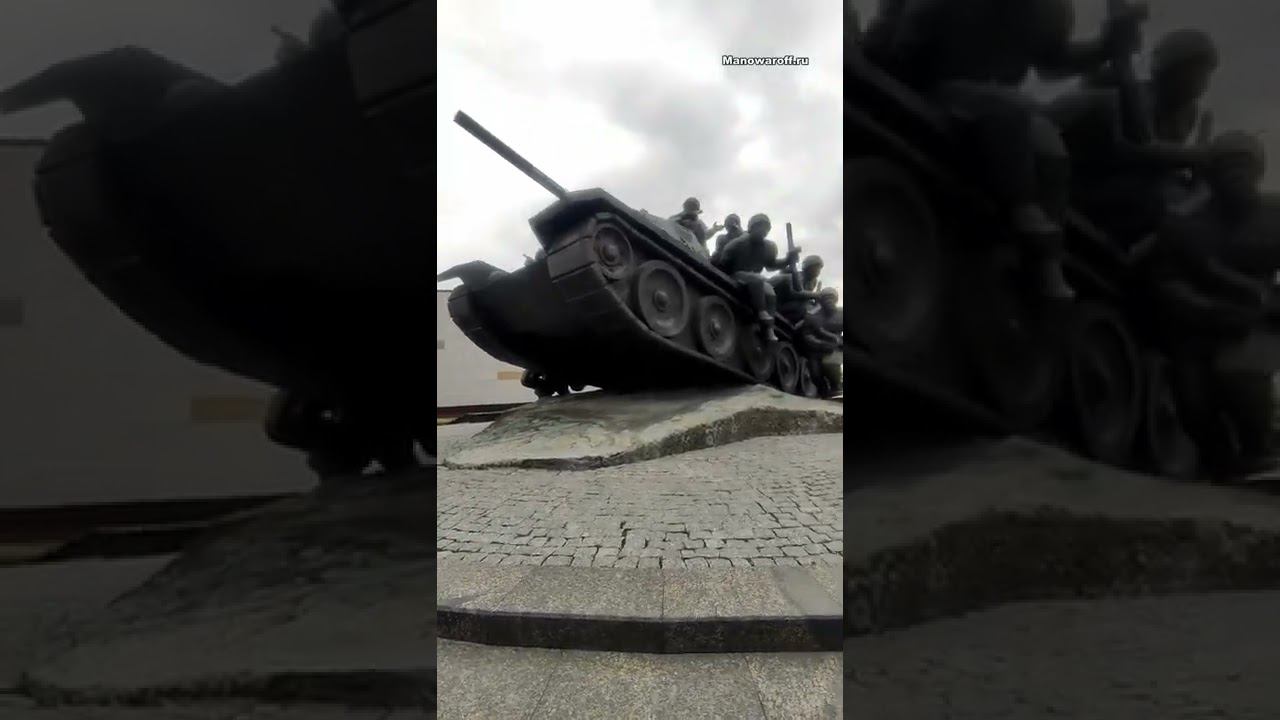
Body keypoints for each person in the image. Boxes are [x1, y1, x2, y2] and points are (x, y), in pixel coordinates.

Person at [861, 0, 1145, 301]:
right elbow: (911, 38)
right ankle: (1022, 208)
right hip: (934, 84)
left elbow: (1052, 60)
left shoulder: (1050, 9)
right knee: (1006, 109)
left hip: (997, 104)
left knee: (1049, 146)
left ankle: (1045, 260)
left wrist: (1105, 46)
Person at [1049, 28, 1223, 243]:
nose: (1201, 80)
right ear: (1171, 69)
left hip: (1136, 182)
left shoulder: (1188, 114)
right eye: (1194, 70)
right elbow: (1128, 148)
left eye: (1206, 72)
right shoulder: (1135, 97)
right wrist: (1190, 155)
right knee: (1150, 198)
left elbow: (1164, 164)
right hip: (1092, 179)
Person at [713, 214, 801, 342]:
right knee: (757, 279)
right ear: (751, 228)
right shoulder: (738, 243)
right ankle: (761, 312)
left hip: (755, 279)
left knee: (770, 292)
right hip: (737, 274)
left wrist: (788, 259)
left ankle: (768, 328)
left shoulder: (768, 247)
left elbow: (771, 265)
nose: (763, 231)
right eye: (760, 227)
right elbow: (724, 261)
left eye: (766, 229)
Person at [772, 255, 826, 322]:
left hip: (795, 305)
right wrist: (815, 294)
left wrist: (817, 299)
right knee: (803, 308)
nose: (818, 271)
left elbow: (806, 298)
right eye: (816, 267)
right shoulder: (797, 276)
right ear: (808, 267)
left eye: (819, 268)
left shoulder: (813, 282)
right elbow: (795, 293)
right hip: (781, 304)